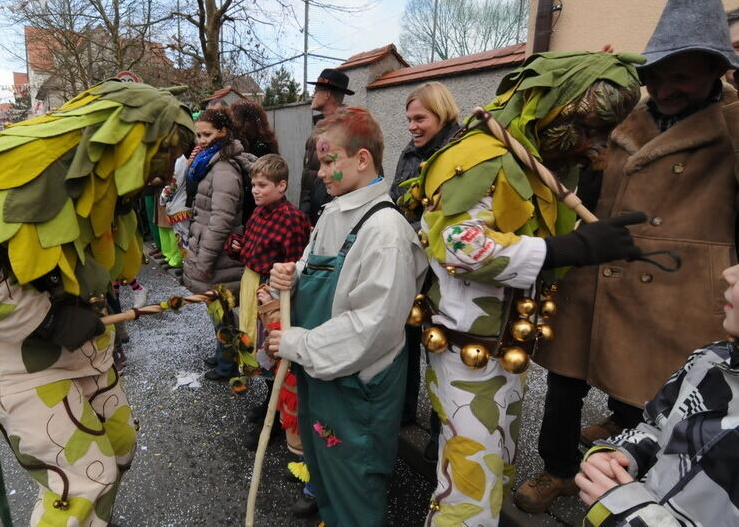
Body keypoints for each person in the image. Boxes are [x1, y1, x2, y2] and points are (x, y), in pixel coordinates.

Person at [0, 79, 195, 527]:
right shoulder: (26, 172)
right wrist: (44, 319)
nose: (164, 173)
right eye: (161, 156)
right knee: (82, 482)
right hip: (22, 368)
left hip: (87, 355)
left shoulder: (104, 187)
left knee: (118, 451)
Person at [517, 0, 739, 513]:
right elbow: (581, 178)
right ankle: (558, 469)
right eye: (658, 76)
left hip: (681, 282)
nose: (666, 89)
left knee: (656, 387)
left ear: (716, 70)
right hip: (599, 264)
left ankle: (635, 478)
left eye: (683, 77)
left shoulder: (733, 127)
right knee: (567, 375)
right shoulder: (626, 116)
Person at [402, 50, 646, 526]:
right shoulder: (479, 156)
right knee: (470, 491)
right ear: (554, 106)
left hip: (504, 354)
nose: (592, 146)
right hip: (467, 356)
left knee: (494, 471)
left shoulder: (534, 162)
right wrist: (564, 251)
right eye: (588, 128)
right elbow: (456, 244)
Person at [266, 107, 428, 527]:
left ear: (362, 159)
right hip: (322, 379)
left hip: (359, 392)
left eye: (328, 160)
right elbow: (314, 269)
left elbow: (370, 327)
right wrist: (291, 275)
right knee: (328, 478)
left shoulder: (386, 232)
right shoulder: (333, 213)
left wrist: (295, 343)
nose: (320, 172)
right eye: (319, 161)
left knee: (356, 491)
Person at [575, 262, 739, 526]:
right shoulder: (711, 359)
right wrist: (626, 454)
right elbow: (658, 425)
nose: (728, 273)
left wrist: (631, 514)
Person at [389, 82, 462, 462]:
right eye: (409, 120)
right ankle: (402, 413)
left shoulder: (457, 154)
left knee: (438, 349)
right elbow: (396, 200)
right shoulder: (410, 151)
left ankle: (438, 434)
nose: (413, 127)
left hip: (442, 271)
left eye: (420, 118)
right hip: (409, 263)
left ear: (442, 114)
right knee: (404, 343)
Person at [225, 154, 310, 447]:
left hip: (272, 294)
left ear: (282, 185)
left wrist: (275, 296)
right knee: (258, 347)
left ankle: (275, 417)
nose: (256, 191)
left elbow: (296, 266)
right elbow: (251, 250)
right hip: (253, 285)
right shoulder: (258, 213)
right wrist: (237, 247)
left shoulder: (292, 219)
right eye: (253, 185)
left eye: (262, 185)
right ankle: (269, 402)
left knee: (273, 349)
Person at [182, 108, 257, 380]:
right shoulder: (209, 161)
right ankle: (222, 354)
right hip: (212, 249)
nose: (200, 140)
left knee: (223, 311)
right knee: (216, 309)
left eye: (207, 134)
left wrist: (203, 261)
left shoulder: (223, 167)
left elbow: (222, 220)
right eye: (198, 134)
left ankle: (228, 364)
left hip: (219, 255)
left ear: (223, 132)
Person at [299, 68, 354, 226]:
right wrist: (305, 212)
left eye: (316, 91)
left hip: (333, 218)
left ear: (328, 94)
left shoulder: (348, 130)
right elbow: (310, 174)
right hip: (313, 217)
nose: (312, 95)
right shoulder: (319, 128)